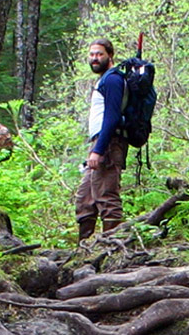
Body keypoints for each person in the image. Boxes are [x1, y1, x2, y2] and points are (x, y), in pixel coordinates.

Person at [76, 38, 128, 243]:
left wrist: (99, 149)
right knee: (85, 199)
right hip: (99, 143)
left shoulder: (113, 79)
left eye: (99, 54)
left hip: (108, 144)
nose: (95, 58)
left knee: (106, 197)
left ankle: (112, 250)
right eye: (92, 54)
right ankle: (83, 249)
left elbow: (112, 117)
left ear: (110, 56)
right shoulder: (104, 79)